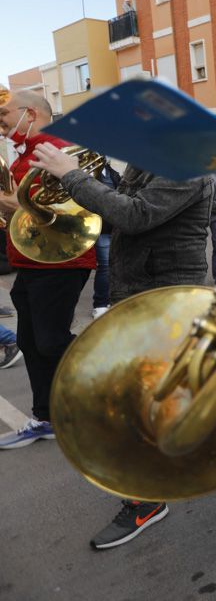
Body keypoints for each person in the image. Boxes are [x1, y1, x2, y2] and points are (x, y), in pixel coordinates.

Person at [32, 137, 214, 550]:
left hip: (165, 297)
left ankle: (146, 500)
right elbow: (118, 214)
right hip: (138, 290)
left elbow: (134, 215)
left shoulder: (185, 164)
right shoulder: (145, 160)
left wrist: (72, 176)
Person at [0, 91, 95, 450]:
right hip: (31, 261)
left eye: (5, 113)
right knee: (29, 341)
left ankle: (107, 383)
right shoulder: (27, 152)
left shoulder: (55, 148)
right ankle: (45, 417)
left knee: (51, 341)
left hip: (59, 261)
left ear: (30, 113)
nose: (2, 120)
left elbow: (36, 208)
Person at [91, 160, 122, 318]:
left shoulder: (112, 173)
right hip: (101, 228)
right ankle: (100, 303)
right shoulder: (89, 174)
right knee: (104, 266)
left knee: (115, 265)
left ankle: (113, 299)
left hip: (115, 227)